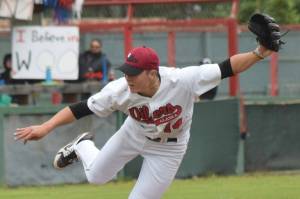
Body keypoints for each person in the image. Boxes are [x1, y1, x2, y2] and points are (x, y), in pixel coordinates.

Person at [15, 44, 273, 198]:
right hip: (134, 134)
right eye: (126, 71)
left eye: (134, 73)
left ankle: (83, 146)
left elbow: (228, 67)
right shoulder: (119, 90)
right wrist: (46, 127)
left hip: (169, 149)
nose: (128, 77)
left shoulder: (183, 80)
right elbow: (81, 108)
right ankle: (82, 146)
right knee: (96, 177)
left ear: (152, 73)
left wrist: (260, 52)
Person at [62, 39, 114, 103]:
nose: (94, 48)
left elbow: (108, 72)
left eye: (96, 47)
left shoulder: (103, 59)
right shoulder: (83, 56)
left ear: (100, 48)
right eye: (92, 46)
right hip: (79, 81)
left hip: (95, 84)